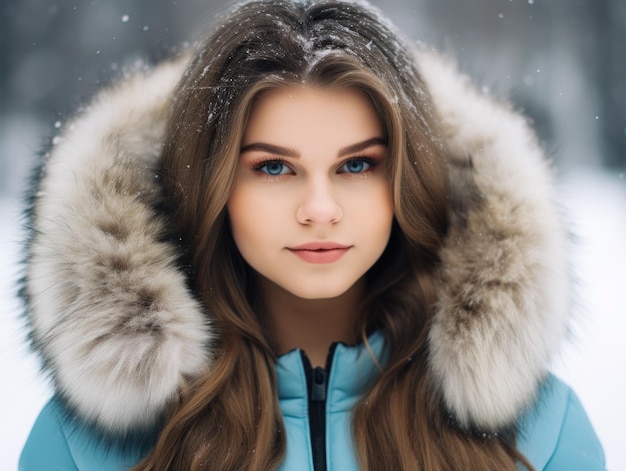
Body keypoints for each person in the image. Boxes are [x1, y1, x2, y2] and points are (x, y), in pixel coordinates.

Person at [18, 0, 605, 469]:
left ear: (408, 180)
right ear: (212, 186)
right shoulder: (83, 447)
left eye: (357, 165)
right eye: (274, 167)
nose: (320, 210)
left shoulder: (542, 433)